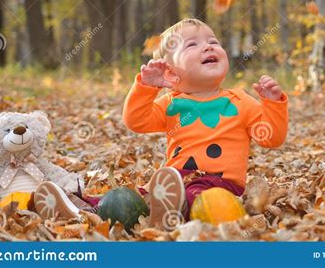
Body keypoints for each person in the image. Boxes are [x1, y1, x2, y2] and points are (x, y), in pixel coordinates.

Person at [123, 18, 289, 230]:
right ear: (171, 73)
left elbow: (272, 138)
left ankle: (173, 214)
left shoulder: (241, 101)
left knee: (198, 197)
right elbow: (135, 121)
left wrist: (273, 104)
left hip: (220, 186)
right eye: (192, 44)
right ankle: (89, 205)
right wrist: (146, 88)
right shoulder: (171, 104)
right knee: (133, 198)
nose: (208, 46)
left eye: (213, 41)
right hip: (175, 180)